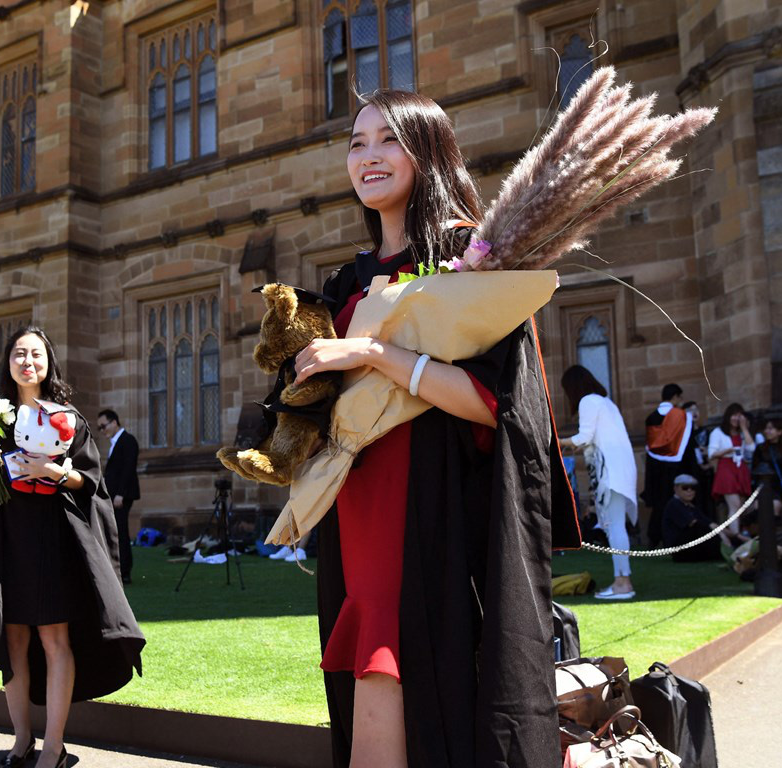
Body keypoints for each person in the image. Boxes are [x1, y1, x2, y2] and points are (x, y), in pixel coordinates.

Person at [290, 91, 579, 768]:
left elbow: (495, 405)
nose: (369, 156)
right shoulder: (344, 284)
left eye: (388, 140)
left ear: (426, 152)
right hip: (358, 507)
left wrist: (372, 354)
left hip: (432, 505)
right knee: (370, 658)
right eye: (356, 143)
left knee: (408, 660)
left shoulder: (468, 263)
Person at [0, 326, 145, 768]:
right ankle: (22, 740)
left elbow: (92, 482)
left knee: (54, 638)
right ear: (8, 362)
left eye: (36, 355)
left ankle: (54, 748)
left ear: (48, 363)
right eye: (19, 354)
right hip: (9, 539)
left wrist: (56, 471)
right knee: (14, 640)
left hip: (53, 538)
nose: (27, 362)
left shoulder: (69, 418)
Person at [560, 365, 638, 599]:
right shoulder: (607, 403)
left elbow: (584, 437)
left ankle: (623, 584)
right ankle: (622, 581)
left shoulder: (588, 401)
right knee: (616, 526)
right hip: (620, 469)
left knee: (615, 527)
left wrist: (556, 440)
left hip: (610, 471)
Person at [642, 384, 694, 545]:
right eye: (680, 397)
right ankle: (671, 538)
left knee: (659, 503)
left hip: (655, 466)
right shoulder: (681, 416)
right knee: (674, 501)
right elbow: (687, 446)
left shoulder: (651, 417)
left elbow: (652, 445)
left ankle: (653, 537)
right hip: (675, 466)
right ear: (675, 397)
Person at [98, 409, 140, 585]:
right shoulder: (116, 442)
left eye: (104, 425)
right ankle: (118, 570)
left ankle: (124, 572)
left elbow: (128, 469)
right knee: (116, 532)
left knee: (121, 533)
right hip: (115, 496)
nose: (102, 430)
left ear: (114, 422)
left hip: (121, 497)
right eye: (100, 427)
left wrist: (120, 494)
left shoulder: (127, 440)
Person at [661, 474, 744, 562]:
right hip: (681, 551)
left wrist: (737, 536)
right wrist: (721, 536)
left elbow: (710, 523)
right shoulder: (674, 504)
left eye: (692, 488)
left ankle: (735, 549)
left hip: (692, 546)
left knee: (714, 530)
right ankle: (730, 552)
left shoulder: (691, 506)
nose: (690, 491)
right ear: (676, 489)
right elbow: (696, 524)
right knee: (701, 528)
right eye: (685, 488)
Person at [708, 403, 755, 526]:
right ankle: (735, 537)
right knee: (735, 505)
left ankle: (736, 532)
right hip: (726, 468)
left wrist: (745, 429)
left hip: (740, 468)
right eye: (734, 415)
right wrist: (727, 451)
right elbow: (711, 454)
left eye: (739, 416)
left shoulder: (742, 434)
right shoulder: (717, 432)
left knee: (742, 505)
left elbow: (751, 448)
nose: (736, 418)